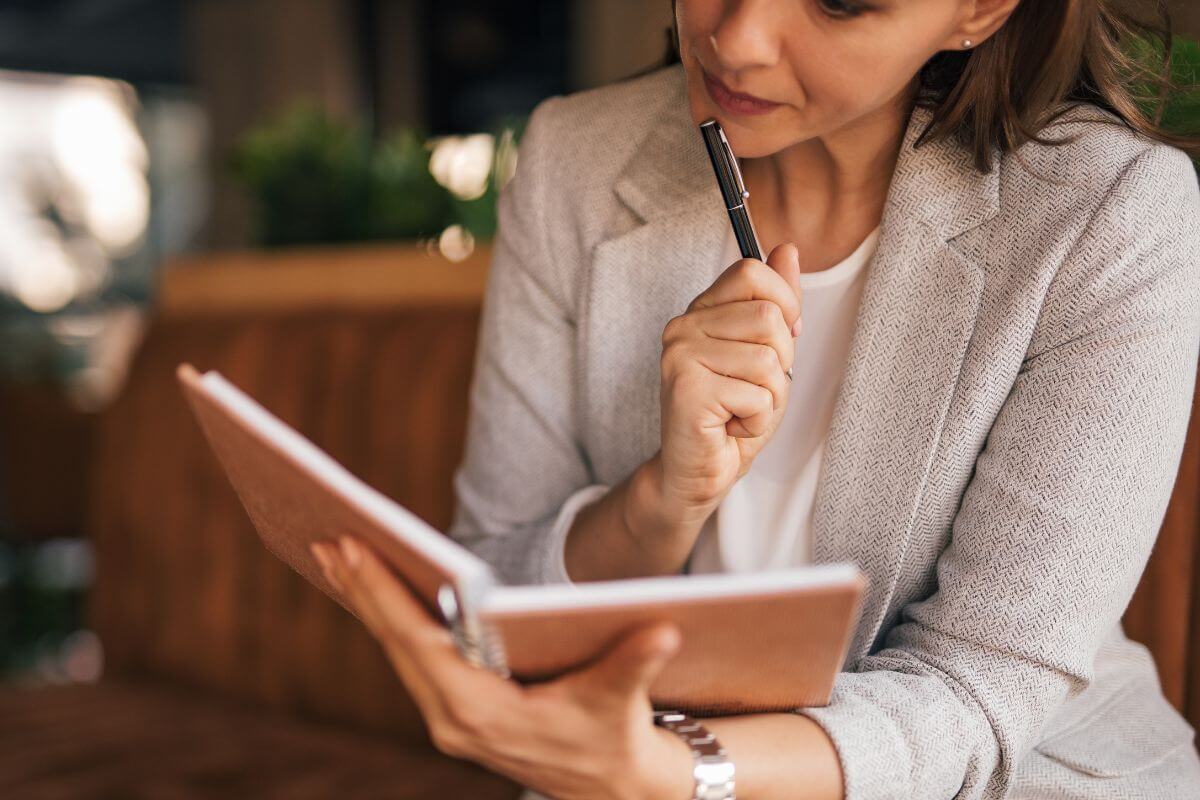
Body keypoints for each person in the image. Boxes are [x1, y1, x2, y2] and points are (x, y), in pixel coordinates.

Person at [308, 0, 1200, 797]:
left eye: (841, 4)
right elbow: (496, 579)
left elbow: (980, 691)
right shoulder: (575, 164)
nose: (734, 36)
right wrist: (661, 501)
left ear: (978, 11)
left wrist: (681, 772)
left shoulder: (1111, 212)